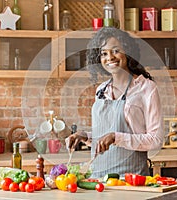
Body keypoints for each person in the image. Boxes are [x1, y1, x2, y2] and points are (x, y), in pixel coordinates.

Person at [66, 27, 163, 178]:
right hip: (99, 179)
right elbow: (106, 138)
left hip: (132, 180)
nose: (110, 57)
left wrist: (115, 137)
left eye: (115, 50)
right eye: (104, 53)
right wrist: (85, 137)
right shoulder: (102, 90)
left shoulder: (146, 88)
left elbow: (155, 140)